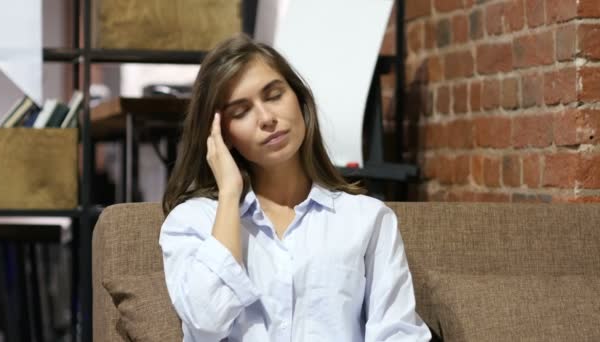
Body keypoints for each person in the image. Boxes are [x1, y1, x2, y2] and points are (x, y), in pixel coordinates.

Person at [159, 33, 431, 342]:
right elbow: (206, 322)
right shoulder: (192, 222)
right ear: (222, 135)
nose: (267, 118)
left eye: (274, 95)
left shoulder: (367, 219)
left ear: (299, 99)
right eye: (241, 111)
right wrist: (230, 193)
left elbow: (397, 333)